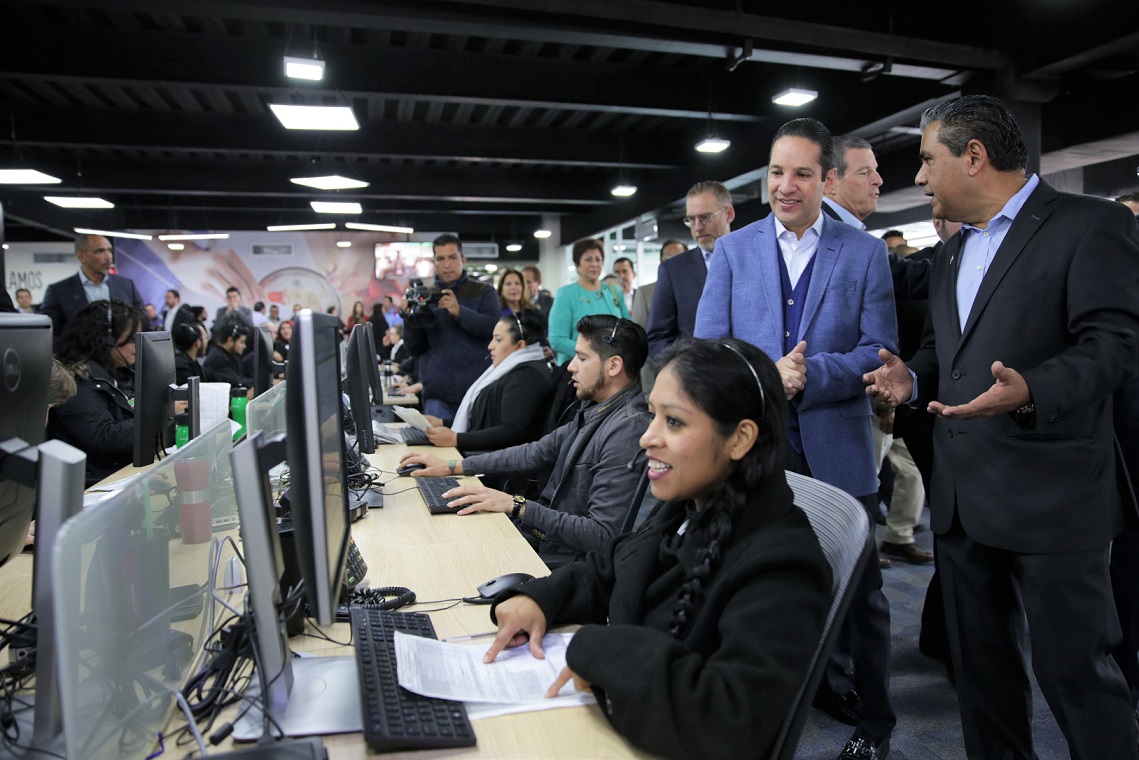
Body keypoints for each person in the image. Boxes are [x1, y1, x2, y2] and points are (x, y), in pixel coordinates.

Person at [864, 94, 1139, 760]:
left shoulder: (1087, 224)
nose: (921, 178)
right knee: (981, 681)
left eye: (928, 161)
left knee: (1077, 678)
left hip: (1054, 499)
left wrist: (1030, 391)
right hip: (961, 503)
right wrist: (912, 379)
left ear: (974, 157)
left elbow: (1115, 344)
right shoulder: (949, 255)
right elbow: (940, 351)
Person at [482, 338, 831, 760]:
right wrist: (538, 598)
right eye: (653, 416)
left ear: (740, 439)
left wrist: (596, 648)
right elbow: (612, 566)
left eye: (674, 422)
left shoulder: (783, 567)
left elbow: (730, 723)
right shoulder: (692, 504)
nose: (647, 437)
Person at [695, 118, 897, 760]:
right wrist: (765, 375)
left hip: (838, 441)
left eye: (802, 173)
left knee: (861, 592)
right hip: (758, 448)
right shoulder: (734, 250)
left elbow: (877, 352)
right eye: (776, 173)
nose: (786, 186)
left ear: (827, 179)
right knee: (747, 578)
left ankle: (877, 724)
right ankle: (743, 709)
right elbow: (708, 352)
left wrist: (812, 374)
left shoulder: (863, 253)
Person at [399, 315, 649, 568]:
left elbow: (602, 535)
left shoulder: (628, 430)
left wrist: (517, 506)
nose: (571, 366)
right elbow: (534, 453)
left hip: (567, 564)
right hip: (545, 541)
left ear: (614, 366)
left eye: (582, 358)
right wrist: (453, 466)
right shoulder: (595, 410)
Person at [822, 134, 930, 565]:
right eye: (865, 172)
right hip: (839, 409)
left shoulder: (852, 238)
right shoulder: (837, 239)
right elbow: (909, 280)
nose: (879, 180)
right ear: (831, 182)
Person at [422, 310, 555, 452]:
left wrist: (456, 439)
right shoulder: (509, 369)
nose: (490, 345)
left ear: (520, 345)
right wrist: (441, 422)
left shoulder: (527, 376)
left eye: (498, 339)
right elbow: (486, 418)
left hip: (501, 464)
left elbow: (512, 431)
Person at [403, 234, 501, 419]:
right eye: (441, 258)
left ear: (463, 259)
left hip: (478, 391)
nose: (447, 264)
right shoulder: (426, 296)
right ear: (434, 262)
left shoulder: (484, 291)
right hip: (439, 395)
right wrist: (409, 319)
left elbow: (493, 329)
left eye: (452, 257)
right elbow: (415, 348)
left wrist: (459, 312)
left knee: (480, 447)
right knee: (439, 448)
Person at [46, 299, 143, 486]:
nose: (137, 346)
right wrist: (158, 415)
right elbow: (104, 438)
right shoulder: (79, 379)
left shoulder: (120, 373)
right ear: (105, 339)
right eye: (131, 339)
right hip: (93, 484)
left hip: (120, 475)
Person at [646, 181, 734, 357]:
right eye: (691, 220)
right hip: (696, 378)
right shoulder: (673, 271)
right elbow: (657, 337)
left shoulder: (755, 259)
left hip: (751, 375)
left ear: (728, 214)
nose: (698, 227)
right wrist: (684, 371)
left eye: (705, 217)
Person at [38, 234, 145, 339]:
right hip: (79, 355)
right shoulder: (58, 291)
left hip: (121, 355)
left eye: (109, 250)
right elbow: (49, 334)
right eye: (100, 251)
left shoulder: (126, 285)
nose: (108, 257)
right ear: (81, 256)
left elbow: (142, 320)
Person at [547, 239, 630, 364]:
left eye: (598, 259)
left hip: (613, 365)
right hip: (577, 367)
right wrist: (594, 353)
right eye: (588, 259)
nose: (594, 264)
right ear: (577, 264)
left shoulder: (613, 291)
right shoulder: (566, 294)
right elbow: (557, 340)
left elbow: (628, 328)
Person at [203, 317, 254, 388]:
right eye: (241, 342)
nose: (244, 346)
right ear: (230, 340)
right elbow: (236, 381)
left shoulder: (232, 355)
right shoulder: (217, 359)